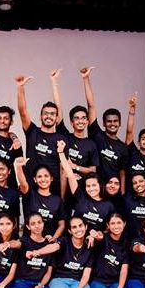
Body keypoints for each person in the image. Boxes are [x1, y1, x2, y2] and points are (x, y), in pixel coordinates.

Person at [50, 69, 97, 197]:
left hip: (82, 193)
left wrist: (75, 167)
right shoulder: (65, 136)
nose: (80, 121)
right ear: (71, 122)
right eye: (76, 118)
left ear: (87, 121)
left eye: (83, 118)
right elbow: (58, 108)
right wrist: (54, 82)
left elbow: (92, 171)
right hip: (63, 192)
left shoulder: (91, 144)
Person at [80, 67, 128, 188]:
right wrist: (86, 79)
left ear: (120, 123)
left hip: (112, 190)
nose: (112, 124)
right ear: (103, 123)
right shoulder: (97, 135)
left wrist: (122, 192)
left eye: (115, 121)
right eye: (109, 121)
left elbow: (122, 172)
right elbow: (91, 106)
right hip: (94, 188)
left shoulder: (122, 147)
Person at [16, 73, 66, 185]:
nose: (49, 116)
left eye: (52, 114)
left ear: (56, 118)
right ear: (40, 116)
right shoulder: (32, 131)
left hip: (53, 190)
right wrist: (20, 87)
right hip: (31, 188)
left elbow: (63, 169)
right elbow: (22, 111)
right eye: (46, 113)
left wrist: (62, 196)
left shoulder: (61, 139)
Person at [58, 141, 113, 233]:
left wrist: (98, 235)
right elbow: (69, 173)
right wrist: (60, 152)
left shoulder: (108, 206)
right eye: (88, 186)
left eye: (94, 185)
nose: (91, 189)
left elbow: (108, 229)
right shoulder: (81, 196)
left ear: (100, 185)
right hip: (76, 237)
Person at [14, 157, 66, 241]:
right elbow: (23, 184)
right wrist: (18, 167)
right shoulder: (30, 194)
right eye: (39, 176)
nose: (43, 179)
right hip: (28, 242)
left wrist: (54, 238)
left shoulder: (57, 200)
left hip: (48, 242)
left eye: (46, 176)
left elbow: (61, 224)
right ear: (35, 179)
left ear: (51, 178)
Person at [46, 216, 93, 288]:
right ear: (69, 231)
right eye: (74, 227)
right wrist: (36, 252)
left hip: (79, 282)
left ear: (86, 227)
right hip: (59, 280)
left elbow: (86, 274)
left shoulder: (89, 246)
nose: (78, 229)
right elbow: (54, 247)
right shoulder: (64, 241)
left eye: (80, 225)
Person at [11, 212, 54, 288]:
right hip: (23, 282)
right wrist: (7, 244)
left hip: (40, 283)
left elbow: (48, 272)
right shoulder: (23, 241)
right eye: (33, 224)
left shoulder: (49, 245)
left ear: (43, 223)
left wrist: (40, 285)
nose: (37, 226)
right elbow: (16, 243)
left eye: (39, 222)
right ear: (28, 227)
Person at [89, 213, 129, 288]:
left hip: (115, 283)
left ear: (124, 224)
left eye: (119, 223)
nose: (116, 226)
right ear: (108, 225)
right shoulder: (104, 238)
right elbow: (98, 237)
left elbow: (124, 270)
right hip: (98, 281)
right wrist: (94, 236)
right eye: (112, 223)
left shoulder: (126, 243)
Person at [123, 172, 145, 237]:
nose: (138, 184)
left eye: (141, 181)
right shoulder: (127, 199)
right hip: (130, 239)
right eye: (135, 183)